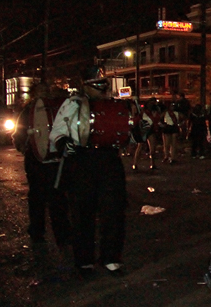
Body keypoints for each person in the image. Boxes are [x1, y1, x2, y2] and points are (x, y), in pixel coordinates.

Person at [49, 66, 127, 276]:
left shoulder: (115, 105)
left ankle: (110, 258)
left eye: (103, 83)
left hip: (109, 160)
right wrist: (64, 142)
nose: (102, 88)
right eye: (96, 83)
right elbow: (57, 131)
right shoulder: (72, 104)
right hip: (82, 160)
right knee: (83, 212)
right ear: (86, 85)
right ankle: (84, 260)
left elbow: (129, 131)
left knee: (113, 211)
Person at [11, 83, 72, 273]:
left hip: (38, 158)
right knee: (55, 195)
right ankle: (60, 234)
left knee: (39, 196)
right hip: (51, 159)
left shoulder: (30, 110)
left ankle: (38, 231)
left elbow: (18, 134)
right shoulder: (57, 108)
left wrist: (25, 147)